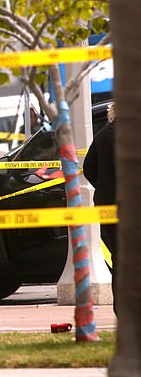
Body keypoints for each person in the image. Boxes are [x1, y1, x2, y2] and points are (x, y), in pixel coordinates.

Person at [83, 102, 116, 311]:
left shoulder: (102, 136)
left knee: (119, 256)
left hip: (107, 205)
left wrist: (103, 187)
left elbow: (88, 168)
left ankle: (121, 308)